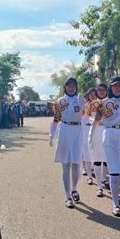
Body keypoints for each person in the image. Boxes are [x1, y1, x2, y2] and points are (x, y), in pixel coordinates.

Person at [92, 77, 120, 217]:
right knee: (114, 170)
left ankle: (116, 193)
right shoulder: (103, 103)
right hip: (110, 133)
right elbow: (96, 120)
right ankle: (115, 203)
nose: (117, 88)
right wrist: (90, 136)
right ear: (111, 87)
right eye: (114, 86)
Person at [49, 78, 85, 208]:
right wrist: (51, 135)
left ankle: (74, 189)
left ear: (76, 87)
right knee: (65, 165)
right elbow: (56, 119)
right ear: (65, 87)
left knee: (76, 164)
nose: (71, 88)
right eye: (68, 85)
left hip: (77, 131)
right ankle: (68, 196)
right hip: (64, 130)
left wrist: (84, 106)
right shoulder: (59, 101)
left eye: (73, 85)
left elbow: (86, 116)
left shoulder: (80, 99)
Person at [89, 83, 110, 197]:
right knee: (97, 158)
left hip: (108, 131)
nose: (101, 91)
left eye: (103, 89)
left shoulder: (110, 102)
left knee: (106, 158)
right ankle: (99, 186)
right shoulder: (93, 103)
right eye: (99, 90)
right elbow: (89, 117)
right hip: (97, 131)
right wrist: (96, 120)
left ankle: (104, 179)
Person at [81, 88, 96, 185]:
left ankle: (94, 168)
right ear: (88, 96)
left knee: (95, 151)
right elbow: (82, 118)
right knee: (86, 151)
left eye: (94, 94)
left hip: (96, 130)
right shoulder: (84, 106)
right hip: (86, 129)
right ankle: (89, 176)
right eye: (90, 94)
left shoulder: (100, 105)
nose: (92, 96)